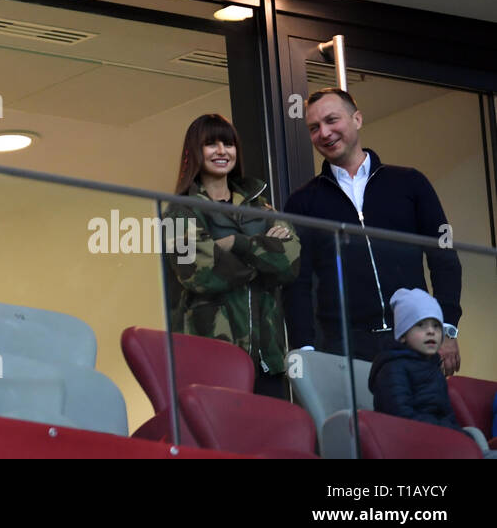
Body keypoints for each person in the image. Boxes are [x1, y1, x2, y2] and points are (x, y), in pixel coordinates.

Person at [285, 88, 462, 370]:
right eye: (314, 127)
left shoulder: (409, 183)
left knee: (416, 414)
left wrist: (446, 327)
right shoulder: (302, 201)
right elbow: (297, 282)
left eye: (332, 120)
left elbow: (444, 258)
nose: (324, 133)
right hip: (342, 348)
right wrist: (305, 350)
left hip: (414, 337)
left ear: (357, 119)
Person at [166, 113, 301, 398]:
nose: (221, 151)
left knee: (271, 440)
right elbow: (201, 272)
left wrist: (235, 244)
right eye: (210, 144)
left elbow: (291, 263)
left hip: (269, 359)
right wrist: (264, 256)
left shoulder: (261, 206)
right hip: (212, 358)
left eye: (228, 144)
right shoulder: (180, 211)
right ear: (194, 151)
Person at [368, 288, 462, 431]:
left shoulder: (435, 369)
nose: (431, 331)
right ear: (403, 335)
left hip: (439, 439)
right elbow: (401, 418)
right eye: (421, 325)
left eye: (436, 326)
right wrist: (443, 431)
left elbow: (448, 415)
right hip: (407, 443)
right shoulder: (392, 369)